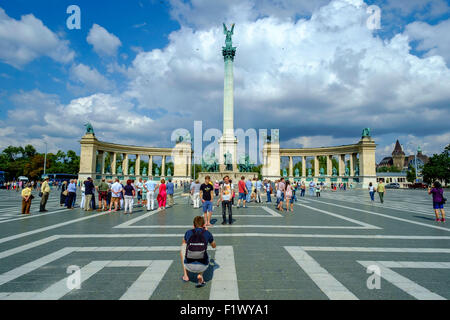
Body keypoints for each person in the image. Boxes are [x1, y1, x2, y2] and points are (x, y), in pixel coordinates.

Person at [180, 216, 216, 287]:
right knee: (205, 252)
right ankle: (200, 275)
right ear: (203, 225)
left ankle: (186, 275)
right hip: (203, 266)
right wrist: (206, 232)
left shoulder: (188, 232)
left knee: (183, 248)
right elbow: (214, 246)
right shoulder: (207, 233)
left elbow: (184, 242)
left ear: (193, 225)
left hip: (188, 265)